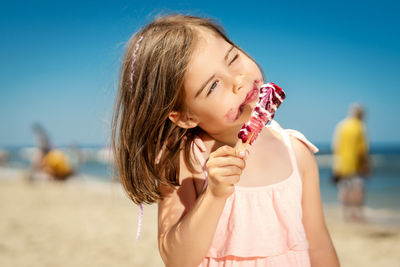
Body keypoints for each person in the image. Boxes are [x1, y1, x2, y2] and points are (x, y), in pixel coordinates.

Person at [111, 14, 339, 266]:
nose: (237, 82)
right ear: (185, 117)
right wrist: (214, 195)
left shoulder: (297, 153)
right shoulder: (185, 159)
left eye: (233, 58)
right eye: (212, 86)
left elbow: (318, 244)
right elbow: (177, 259)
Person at [332, 103, 370, 222]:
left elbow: (335, 146)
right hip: (355, 165)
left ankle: (345, 215)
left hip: (341, 164)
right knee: (357, 191)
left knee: (344, 191)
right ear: (360, 114)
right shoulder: (360, 126)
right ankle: (357, 214)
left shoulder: (341, 126)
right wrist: (365, 165)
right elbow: (362, 150)